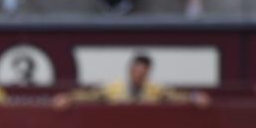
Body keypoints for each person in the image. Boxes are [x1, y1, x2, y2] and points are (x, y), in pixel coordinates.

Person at [53, 52, 209, 106]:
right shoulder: (114, 88)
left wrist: (194, 97)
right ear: (130, 70)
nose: (138, 74)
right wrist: (70, 97)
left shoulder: (155, 90)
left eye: (142, 71)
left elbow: (175, 96)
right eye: (135, 70)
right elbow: (92, 95)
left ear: (148, 72)